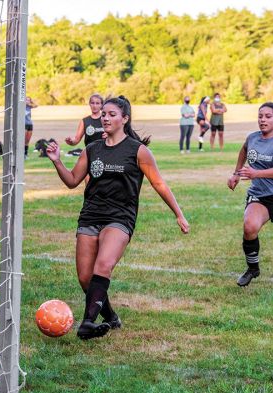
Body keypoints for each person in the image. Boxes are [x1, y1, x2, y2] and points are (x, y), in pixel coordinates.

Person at [47, 95, 190, 340]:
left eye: (112, 114)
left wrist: (179, 214)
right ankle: (110, 316)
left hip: (120, 217)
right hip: (90, 215)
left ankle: (88, 323)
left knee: (103, 266)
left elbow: (159, 184)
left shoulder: (139, 151)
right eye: (103, 114)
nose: (105, 117)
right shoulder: (92, 149)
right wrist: (57, 161)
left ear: (124, 119)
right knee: (85, 278)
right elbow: (72, 181)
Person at [227, 102, 273, 287]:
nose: (263, 120)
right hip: (258, 195)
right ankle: (253, 269)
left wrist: (255, 173)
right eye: (260, 116)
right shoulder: (252, 138)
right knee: (249, 227)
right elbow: (243, 151)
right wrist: (236, 174)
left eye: (268, 116)